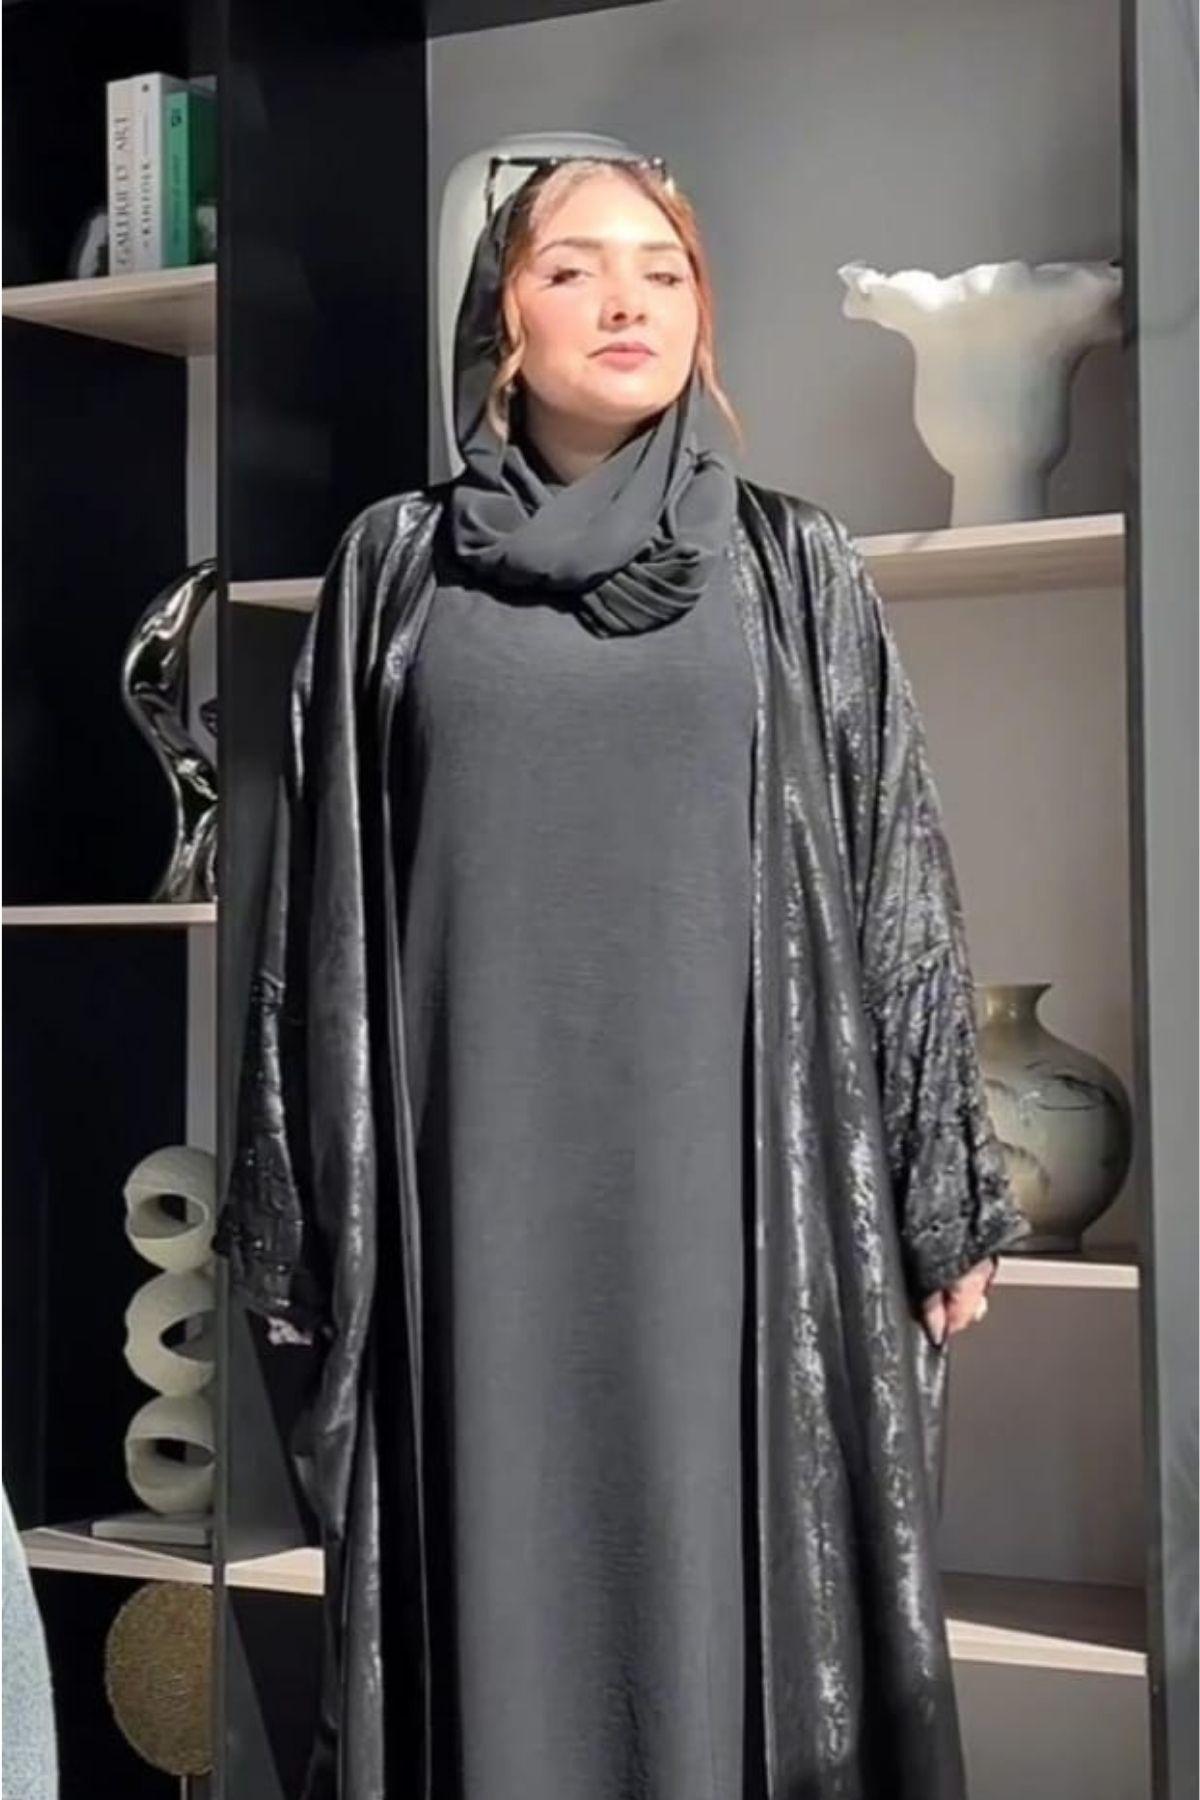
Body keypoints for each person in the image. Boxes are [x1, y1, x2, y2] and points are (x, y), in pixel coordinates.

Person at [215, 153, 1031, 1800]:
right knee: (491, 1581)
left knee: (734, 1584)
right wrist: (297, 1205)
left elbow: (896, 868)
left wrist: (939, 1183)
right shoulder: (393, 567)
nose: (625, 302)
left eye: (662, 272)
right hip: (473, 1195)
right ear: (501, 320)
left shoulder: (792, 564)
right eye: (574, 269)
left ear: (701, 318)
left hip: (739, 1200)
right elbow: (309, 909)